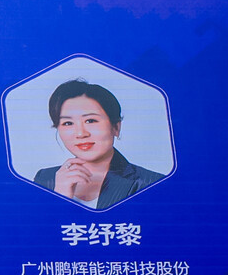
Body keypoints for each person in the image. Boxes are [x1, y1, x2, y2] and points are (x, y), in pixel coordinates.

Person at [30, 79, 165, 210]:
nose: (81, 133)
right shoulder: (45, 178)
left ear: (116, 127)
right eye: (68, 123)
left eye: (90, 121)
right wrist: (59, 197)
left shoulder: (152, 183)